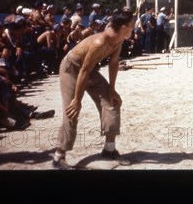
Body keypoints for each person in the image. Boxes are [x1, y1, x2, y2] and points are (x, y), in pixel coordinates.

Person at [52, 9, 134, 170]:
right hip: (72, 69)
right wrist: (77, 100)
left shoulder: (119, 38)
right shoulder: (100, 42)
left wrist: (112, 90)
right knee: (72, 110)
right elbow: (83, 71)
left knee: (112, 103)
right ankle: (58, 156)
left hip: (89, 70)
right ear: (124, 27)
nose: (133, 28)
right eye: (131, 26)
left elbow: (114, 62)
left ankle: (109, 150)